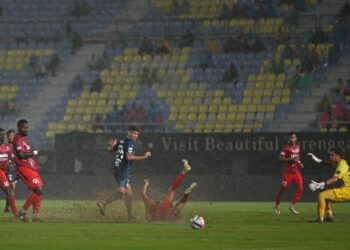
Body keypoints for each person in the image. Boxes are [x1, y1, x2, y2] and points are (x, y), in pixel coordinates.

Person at [97, 125, 151, 222]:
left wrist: (112, 145)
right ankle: (104, 202)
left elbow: (110, 150)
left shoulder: (122, 141)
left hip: (118, 168)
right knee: (121, 192)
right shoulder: (129, 143)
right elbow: (129, 157)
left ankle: (130, 216)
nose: (136, 136)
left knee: (129, 194)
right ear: (129, 133)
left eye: (137, 134)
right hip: (123, 170)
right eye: (134, 133)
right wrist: (143, 157)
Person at [308, 148, 350, 223]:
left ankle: (320, 219)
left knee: (322, 195)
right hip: (346, 189)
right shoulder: (339, 162)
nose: (330, 157)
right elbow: (328, 164)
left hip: (347, 191)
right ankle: (329, 216)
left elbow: (334, 179)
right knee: (323, 190)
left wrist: (321, 184)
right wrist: (316, 159)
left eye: (332, 155)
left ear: (338, 156)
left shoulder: (342, 165)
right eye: (330, 155)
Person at [13, 119, 43, 222]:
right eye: (23, 127)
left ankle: (36, 215)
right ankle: (22, 211)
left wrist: (34, 163)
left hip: (31, 167)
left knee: (38, 191)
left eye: (27, 127)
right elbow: (21, 155)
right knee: (38, 190)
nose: (26, 129)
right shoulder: (17, 139)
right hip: (24, 167)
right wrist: (34, 153)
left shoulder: (24, 140)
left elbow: (27, 154)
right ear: (18, 128)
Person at [274, 132, 304, 215]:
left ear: (296, 138)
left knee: (300, 188)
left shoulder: (298, 147)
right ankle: (277, 205)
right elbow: (280, 158)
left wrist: (299, 163)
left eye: (293, 137)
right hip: (287, 172)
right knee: (283, 189)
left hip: (296, 172)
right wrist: (290, 159)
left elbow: (297, 158)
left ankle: (292, 206)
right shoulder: (286, 148)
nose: (292, 139)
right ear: (289, 139)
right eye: (290, 138)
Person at [0, 128, 18, 217]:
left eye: (3, 135)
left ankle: (14, 212)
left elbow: (10, 158)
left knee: (9, 190)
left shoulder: (7, 147)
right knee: (9, 190)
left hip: (3, 171)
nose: (2, 136)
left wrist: (9, 163)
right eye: (1, 135)